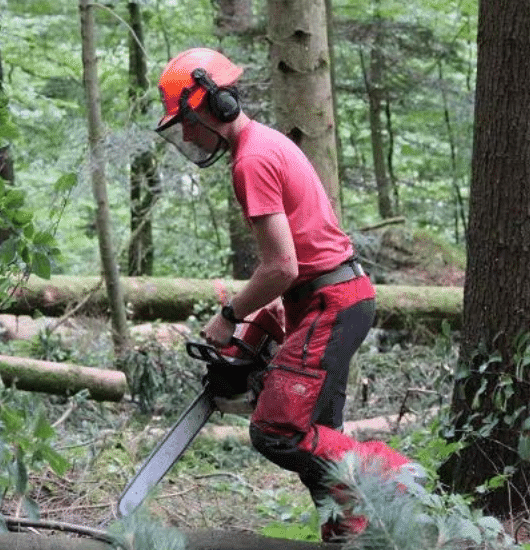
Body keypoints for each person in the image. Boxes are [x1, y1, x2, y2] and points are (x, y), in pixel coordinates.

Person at [155, 47, 415, 542]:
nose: (186, 132)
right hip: (333, 296)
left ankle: (393, 473)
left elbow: (281, 265)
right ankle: (350, 535)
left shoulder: (251, 161)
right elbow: (294, 259)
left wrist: (230, 315)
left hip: (331, 303)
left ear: (215, 105)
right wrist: (271, 309)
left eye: (187, 120)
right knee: (319, 445)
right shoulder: (265, 144)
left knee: (277, 430)